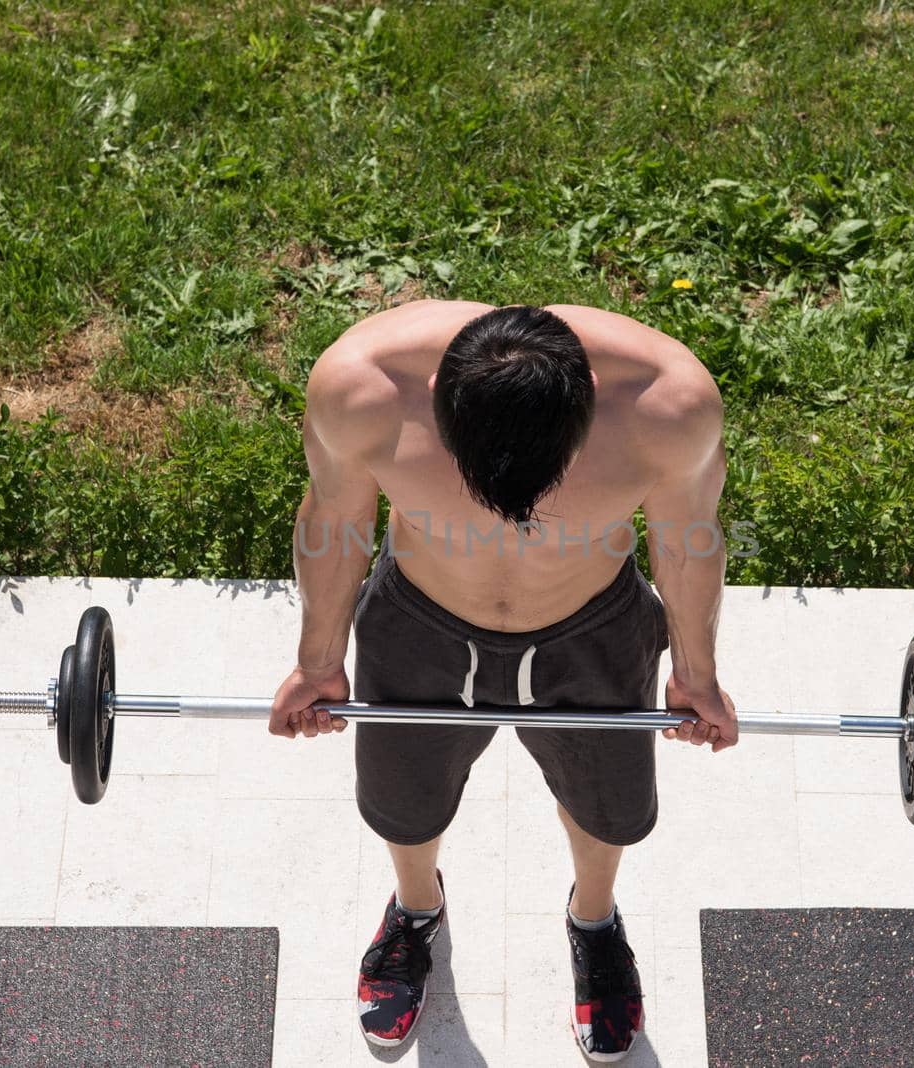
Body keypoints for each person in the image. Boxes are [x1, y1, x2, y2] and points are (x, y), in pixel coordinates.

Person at [269, 301, 738, 1061]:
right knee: (403, 801)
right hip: (421, 623)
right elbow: (336, 518)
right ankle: (417, 911)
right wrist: (318, 661)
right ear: (438, 407)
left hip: (591, 631)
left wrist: (695, 675)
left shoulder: (668, 406)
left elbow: (689, 541)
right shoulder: (363, 390)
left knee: (608, 810)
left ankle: (594, 920)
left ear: (585, 401)